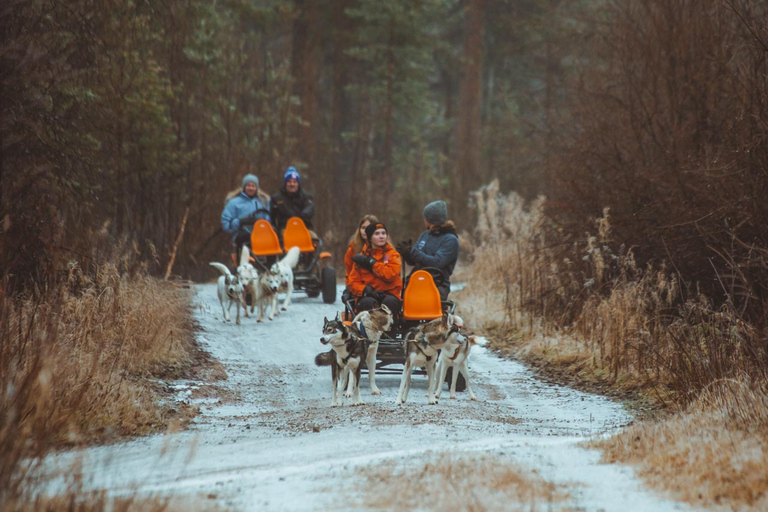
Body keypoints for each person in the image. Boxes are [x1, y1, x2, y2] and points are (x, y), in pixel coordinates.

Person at [396, 200, 459, 301]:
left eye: (425, 217)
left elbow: (436, 263)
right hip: (415, 281)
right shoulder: (425, 234)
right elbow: (414, 261)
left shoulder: (450, 239)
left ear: (430, 219)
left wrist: (412, 251)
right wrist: (406, 252)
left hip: (437, 284)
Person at [348, 221, 402, 315]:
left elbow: (390, 275)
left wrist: (372, 263)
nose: (381, 236)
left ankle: (390, 329)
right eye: (377, 234)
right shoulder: (361, 258)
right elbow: (353, 283)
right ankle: (368, 329)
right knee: (368, 303)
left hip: (389, 294)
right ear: (370, 238)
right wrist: (365, 290)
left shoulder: (393, 255)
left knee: (390, 303)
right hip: (368, 296)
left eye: (383, 233)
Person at [221, 173, 271, 259]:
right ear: (244, 187)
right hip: (242, 234)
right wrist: (240, 222)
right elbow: (226, 223)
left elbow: (269, 217)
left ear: (256, 188)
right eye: (248, 185)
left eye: (253, 186)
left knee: (274, 237)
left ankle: (271, 265)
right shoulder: (234, 202)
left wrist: (262, 222)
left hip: (260, 233)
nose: (250, 188)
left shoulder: (263, 201)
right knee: (247, 239)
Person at [342, 214, 379, 305]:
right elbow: (349, 273)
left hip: (378, 287)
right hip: (360, 288)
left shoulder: (385, 249)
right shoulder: (352, 249)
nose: (365, 231)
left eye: (368, 228)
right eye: (363, 228)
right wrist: (348, 288)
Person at [270, 166, 315, 236]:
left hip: (304, 227)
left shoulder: (307, 197)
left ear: (298, 183)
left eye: (294, 182)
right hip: (285, 228)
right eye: (289, 182)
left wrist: (300, 218)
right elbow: (272, 216)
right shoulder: (276, 198)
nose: (292, 184)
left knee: (314, 238)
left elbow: (309, 210)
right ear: (285, 183)